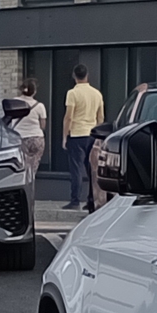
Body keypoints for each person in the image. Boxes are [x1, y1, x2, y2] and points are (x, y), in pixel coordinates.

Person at [62, 64, 104, 210]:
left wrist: (65, 136)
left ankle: (75, 201)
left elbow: (68, 117)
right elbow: (101, 117)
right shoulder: (97, 94)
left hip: (77, 134)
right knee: (92, 170)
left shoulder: (72, 93)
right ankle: (91, 200)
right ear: (87, 75)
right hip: (92, 134)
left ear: (74, 76)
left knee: (76, 169)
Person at [13, 78, 48, 189]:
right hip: (36, 138)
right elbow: (43, 125)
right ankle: (30, 188)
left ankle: (20, 188)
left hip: (19, 138)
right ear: (34, 91)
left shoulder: (14, 102)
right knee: (33, 168)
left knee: (21, 167)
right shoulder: (40, 106)